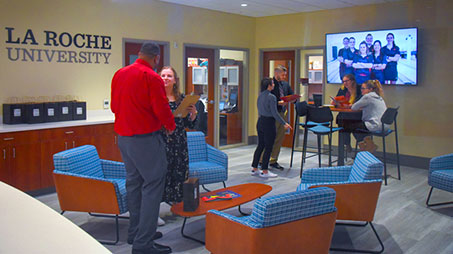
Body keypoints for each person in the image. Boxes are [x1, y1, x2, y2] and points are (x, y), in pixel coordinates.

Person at [111, 42, 174, 254]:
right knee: (153, 186)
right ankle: (143, 244)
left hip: (124, 139)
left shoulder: (120, 73)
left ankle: (135, 233)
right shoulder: (152, 77)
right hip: (145, 139)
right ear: (156, 58)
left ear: (139, 54)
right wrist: (171, 126)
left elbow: (113, 106)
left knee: (134, 184)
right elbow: (161, 108)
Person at [160, 66, 197, 204]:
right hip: (162, 140)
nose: (166, 78)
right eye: (163, 75)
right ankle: (159, 205)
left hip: (179, 140)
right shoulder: (156, 97)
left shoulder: (181, 99)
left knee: (180, 171)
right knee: (163, 173)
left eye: (169, 76)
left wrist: (193, 113)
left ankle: (178, 203)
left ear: (175, 80)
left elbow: (188, 124)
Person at [252, 78, 292, 178]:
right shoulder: (272, 97)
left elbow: (265, 107)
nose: (274, 85)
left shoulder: (260, 95)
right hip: (269, 123)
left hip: (260, 121)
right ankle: (265, 170)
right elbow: (275, 113)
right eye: (273, 83)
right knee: (269, 147)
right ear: (269, 85)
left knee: (260, 145)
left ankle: (254, 168)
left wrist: (276, 104)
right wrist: (284, 123)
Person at [261, 65, 294, 170]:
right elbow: (265, 100)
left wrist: (293, 99)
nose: (284, 76)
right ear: (276, 74)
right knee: (270, 138)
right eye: (282, 74)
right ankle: (262, 160)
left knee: (279, 138)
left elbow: (291, 94)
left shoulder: (285, 84)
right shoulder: (269, 85)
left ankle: (273, 160)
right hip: (272, 114)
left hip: (282, 114)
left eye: (285, 74)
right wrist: (277, 103)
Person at [351, 80, 387, 152]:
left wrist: (361, 106)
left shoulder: (368, 96)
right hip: (384, 126)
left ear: (370, 89)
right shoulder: (378, 97)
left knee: (351, 126)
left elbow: (354, 107)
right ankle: (368, 145)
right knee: (359, 126)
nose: (361, 90)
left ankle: (366, 147)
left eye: (363, 88)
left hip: (375, 125)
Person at [333, 74, 362, 153]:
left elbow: (360, 102)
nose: (344, 83)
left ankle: (352, 144)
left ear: (352, 81)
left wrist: (351, 105)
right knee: (342, 122)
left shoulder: (359, 89)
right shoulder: (342, 90)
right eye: (343, 81)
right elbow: (336, 100)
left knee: (346, 125)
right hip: (345, 115)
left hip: (356, 115)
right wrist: (336, 103)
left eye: (346, 81)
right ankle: (347, 144)